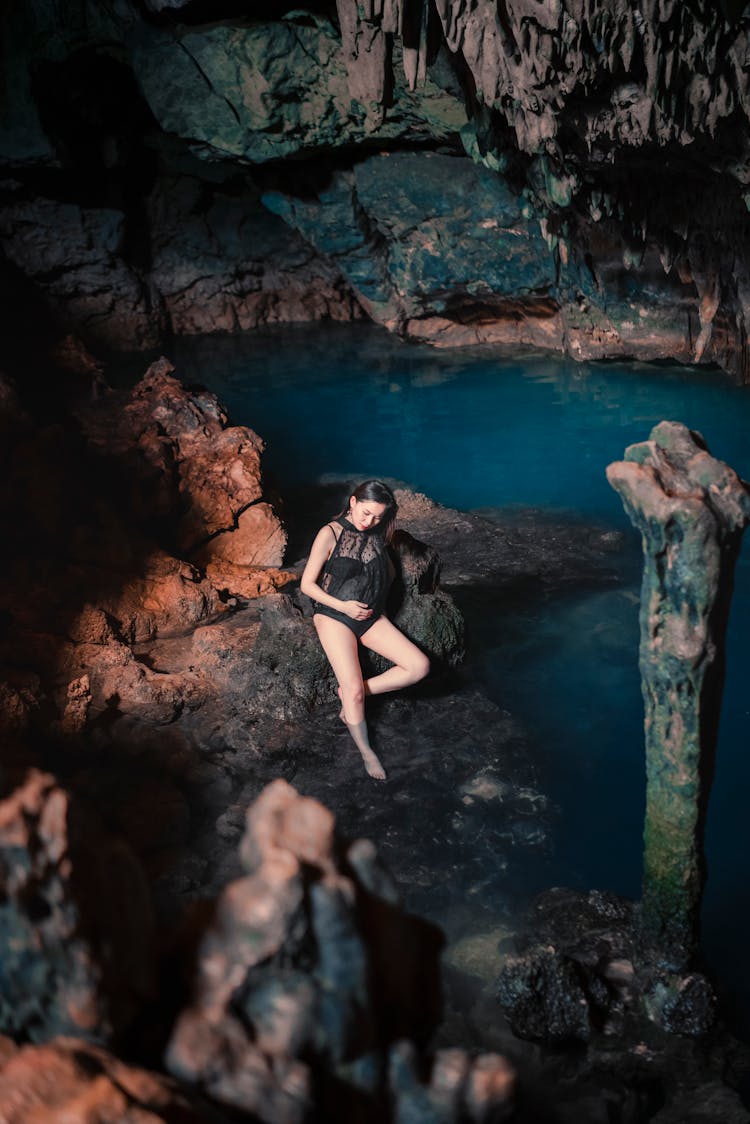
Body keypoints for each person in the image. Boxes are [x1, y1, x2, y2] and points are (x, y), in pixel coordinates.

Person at [300, 480, 430, 780]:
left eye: (377, 517)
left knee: (419, 666)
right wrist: (344, 607)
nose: (369, 521)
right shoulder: (329, 533)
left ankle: (351, 694)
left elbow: (387, 572)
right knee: (354, 691)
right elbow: (307, 584)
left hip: (370, 615)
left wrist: (380, 605)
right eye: (366, 513)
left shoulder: (375, 533)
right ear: (354, 501)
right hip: (334, 614)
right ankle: (366, 751)